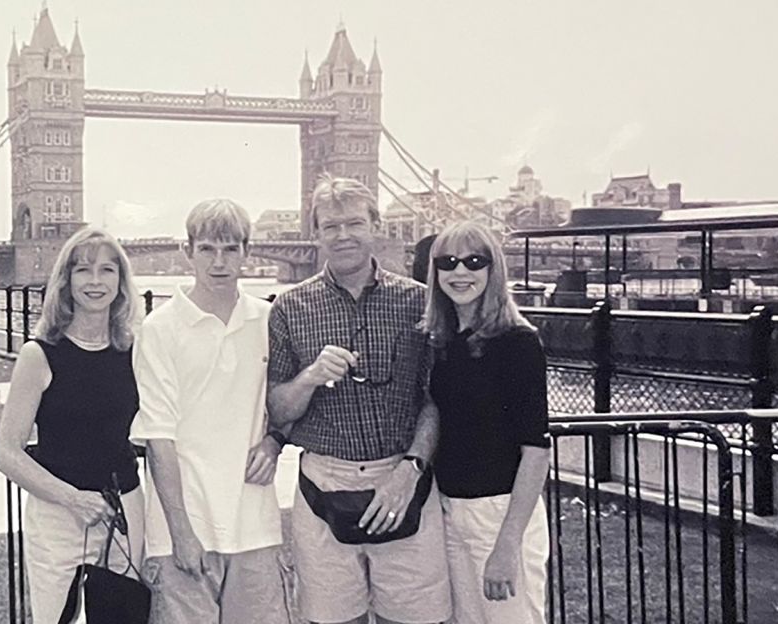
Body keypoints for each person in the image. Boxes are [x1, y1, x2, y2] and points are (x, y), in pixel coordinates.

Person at [267, 174, 451, 624]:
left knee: (417, 619)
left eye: (354, 223)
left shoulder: (419, 303)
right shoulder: (289, 308)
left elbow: (434, 398)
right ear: (316, 233)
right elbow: (278, 410)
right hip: (323, 487)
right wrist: (310, 376)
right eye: (331, 226)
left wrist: (410, 470)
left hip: (403, 478)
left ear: (375, 226)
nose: (343, 235)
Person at [130, 198, 290, 624]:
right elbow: (158, 438)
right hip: (184, 530)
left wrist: (275, 442)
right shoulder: (159, 329)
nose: (219, 262)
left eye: (230, 249)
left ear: (247, 252)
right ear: (188, 252)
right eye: (207, 249)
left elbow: (283, 404)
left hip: (254, 521)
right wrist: (181, 532)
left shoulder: (269, 319)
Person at [0, 226, 144, 622]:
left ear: (121, 282)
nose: (95, 281)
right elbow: (6, 454)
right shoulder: (39, 355)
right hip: (59, 516)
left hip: (125, 512)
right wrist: (74, 498)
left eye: (107, 270)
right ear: (66, 280)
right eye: (83, 270)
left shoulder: (136, 352)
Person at [423, 220, 551, 623]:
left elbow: (535, 450)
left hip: (499, 512)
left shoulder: (517, 342)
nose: (461, 272)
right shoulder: (441, 342)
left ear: (493, 269)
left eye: (474, 261)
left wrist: (507, 545)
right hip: (449, 510)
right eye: (449, 262)